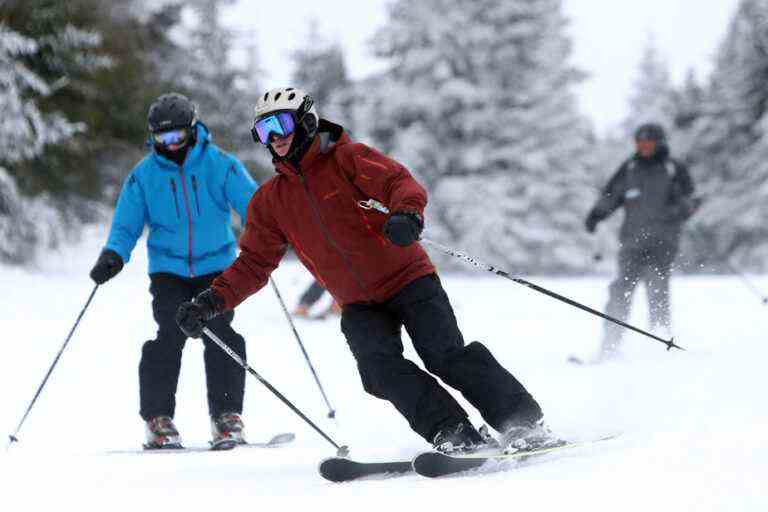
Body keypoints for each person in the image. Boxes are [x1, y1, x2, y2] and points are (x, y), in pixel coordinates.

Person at [175, 87, 554, 454]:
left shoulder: (348, 158)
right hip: (358, 303)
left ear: (306, 122)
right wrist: (211, 302)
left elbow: (398, 183)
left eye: (281, 126)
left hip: (409, 278)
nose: (273, 138)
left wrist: (407, 213)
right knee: (378, 371)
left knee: (445, 355)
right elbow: (254, 263)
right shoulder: (271, 202)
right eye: (263, 131)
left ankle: (520, 420)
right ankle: (452, 431)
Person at [90, 92, 257, 449]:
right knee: (169, 334)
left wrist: (265, 233)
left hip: (217, 268)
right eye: (162, 138)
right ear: (152, 137)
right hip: (168, 270)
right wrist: (114, 255)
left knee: (220, 334)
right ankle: (158, 419)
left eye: (177, 136)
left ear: (193, 131)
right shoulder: (144, 175)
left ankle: (227, 416)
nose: (170, 145)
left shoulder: (219, 164)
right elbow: (126, 225)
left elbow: (253, 204)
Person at [585, 123, 700, 361]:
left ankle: (660, 345)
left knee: (657, 288)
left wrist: (678, 208)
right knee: (620, 290)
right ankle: (609, 347)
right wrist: (597, 214)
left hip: (663, 242)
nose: (644, 146)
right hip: (632, 243)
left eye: (649, 142)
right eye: (640, 142)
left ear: (660, 143)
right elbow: (611, 195)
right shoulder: (630, 168)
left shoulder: (673, 168)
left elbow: (691, 201)